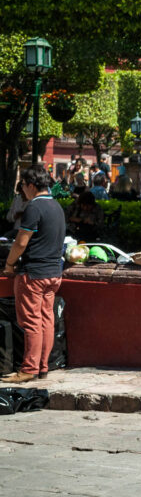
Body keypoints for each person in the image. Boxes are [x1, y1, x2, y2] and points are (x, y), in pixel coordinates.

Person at [1, 165, 66, 384]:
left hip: (33, 274)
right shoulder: (57, 206)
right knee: (47, 320)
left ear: (30, 185)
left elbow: (21, 242)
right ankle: (42, 367)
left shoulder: (34, 207)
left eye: (22, 186)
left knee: (30, 323)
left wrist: (9, 264)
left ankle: (29, 369)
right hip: (53, 273)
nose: (22, 191)